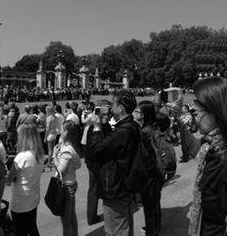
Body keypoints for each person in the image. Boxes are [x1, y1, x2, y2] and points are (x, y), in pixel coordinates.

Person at [186, 77, 227, 235]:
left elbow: (215, 224)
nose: (195, 118)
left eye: (196, 112)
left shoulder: (221, 161)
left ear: (215, 114)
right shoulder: (212, 148)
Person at [85, 91, 141, 236]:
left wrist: (96, 127)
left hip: (115, 188)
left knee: (115, 231)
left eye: (113, 104)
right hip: (124, 186)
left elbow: (97, 149)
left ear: (120, 108)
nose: (111, 108)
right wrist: (104, 124)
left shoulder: (124, 131)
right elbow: (110, 142)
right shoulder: (130, 126)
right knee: (123, 226)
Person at [8, 121, 45, 236]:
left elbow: (8, 180)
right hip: (33, 197)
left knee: (20, 231)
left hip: (20, 201)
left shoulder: (22, 157)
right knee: (32, 227)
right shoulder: (39, 154)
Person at [136, 101, 165, 236]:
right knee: (155, 202)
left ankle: (152, 231)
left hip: (151, 175)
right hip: (159, 172)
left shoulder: (145, 132)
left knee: (149, 207)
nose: (135, 113)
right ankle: (156, 227)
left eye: (138, 111)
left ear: (144, 114)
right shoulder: (154, 127)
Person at [56, 122, 83, 236]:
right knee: (71, 216)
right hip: (71, 182)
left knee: (66, 220)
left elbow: (60, 171)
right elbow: (78, 164)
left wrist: (53, 156)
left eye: (62, 129)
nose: (60, 131)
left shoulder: (67, 150)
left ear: (66, 132)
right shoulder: (70, 146)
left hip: (66, 185)